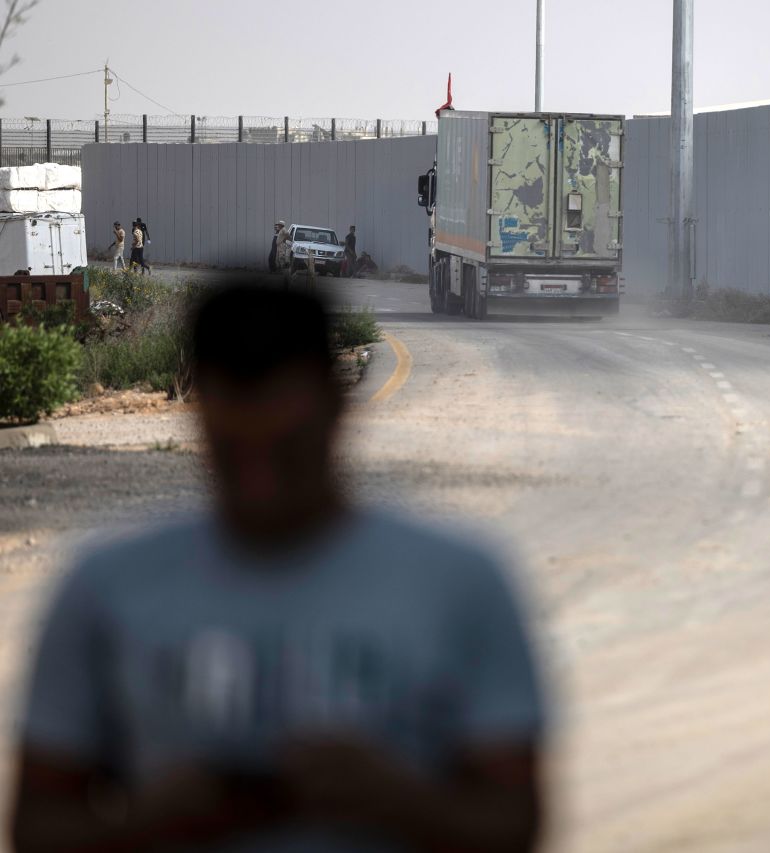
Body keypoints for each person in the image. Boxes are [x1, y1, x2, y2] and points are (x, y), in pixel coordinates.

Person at [9, 283, 547, 852]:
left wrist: (392, 797)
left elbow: (516, 820)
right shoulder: (104, 590)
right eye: (235, 450)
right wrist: (151, 820)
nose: (262, 482)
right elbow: (37, 824)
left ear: (338, 407)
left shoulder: (460, 585)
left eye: (288, 448)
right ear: (196, 411)